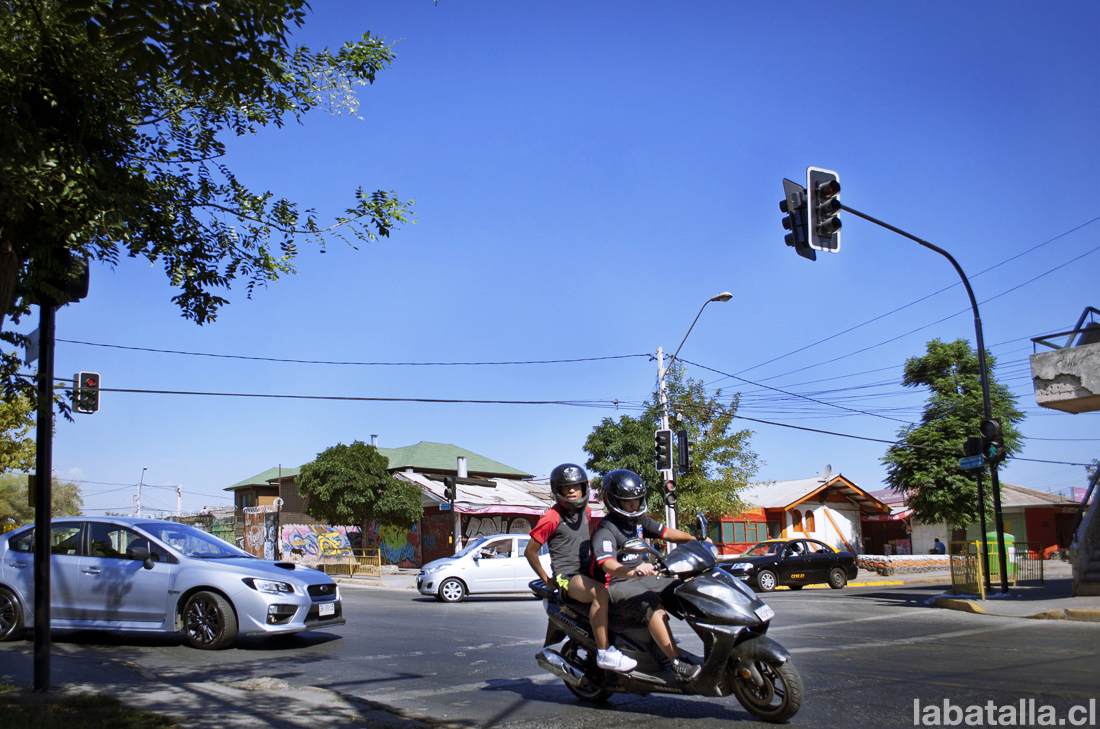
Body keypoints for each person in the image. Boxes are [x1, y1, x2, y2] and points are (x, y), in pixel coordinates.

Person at [591, 469, 702, 682]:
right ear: (614, 500)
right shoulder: (606, 529)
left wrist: (694, 541)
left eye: (637, 499)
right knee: (652, 604)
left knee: (684, 591)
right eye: (628, 501)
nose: (634, 504)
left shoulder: (639, 520)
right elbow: (608, 564)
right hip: (618, 583)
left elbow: (666, 532)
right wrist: (632, 572)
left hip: (644, 576)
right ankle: (677, 662)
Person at [525, 463, 637, 672]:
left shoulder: (585, 511)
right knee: (600, 594)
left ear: (584, 488)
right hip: (567, 577)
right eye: (567, 488)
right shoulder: (551, 517)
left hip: (588, 571)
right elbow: (530, 551)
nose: (572, 492)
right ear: (558, 491)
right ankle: (605, 653)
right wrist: (547, 578)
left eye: (576, 487)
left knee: (628, 589)